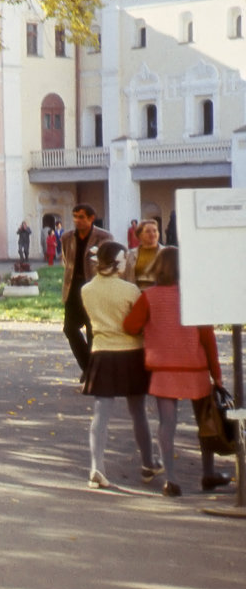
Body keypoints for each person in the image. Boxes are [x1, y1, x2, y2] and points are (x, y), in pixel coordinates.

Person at [123, 247, 231, 497]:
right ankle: (208, 473)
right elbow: (208, 339)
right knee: (206, 424)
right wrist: (217, 375)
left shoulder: (149, 296)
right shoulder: (196, 297)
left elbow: (130, 326)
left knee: (166, 424)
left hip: (163, 369)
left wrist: (152, 331)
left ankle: (170, 480)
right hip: (195, 368)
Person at [81, 241, 159, 490]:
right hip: (131, 353)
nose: (127, 263)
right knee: (138, 413)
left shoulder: (86, 290)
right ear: (116, 262)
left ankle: (96, 467)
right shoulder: (130, 290)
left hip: (102, 353)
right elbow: (138, 323)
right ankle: (148, 463)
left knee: (100, 414)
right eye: (124, 259)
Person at [60, 204, 114, 374]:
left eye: (81, 217)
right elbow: (65, 261)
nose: (77, 220)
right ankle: (88, 367)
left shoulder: (103, 237)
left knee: (93, 331)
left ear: (91, 218)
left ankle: (94, 372)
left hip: (94, 289)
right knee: (69, 328)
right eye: (75, 216)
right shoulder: (67, 237)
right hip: (73, 290)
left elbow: (109, 263)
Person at [121, 219, 164, 289]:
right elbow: (124, 278)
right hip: (136, 295)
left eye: (155, 230)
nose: (152, 234)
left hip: (159, 296)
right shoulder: (129, 255)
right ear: (139, 235)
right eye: (148, 231)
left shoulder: (166, 253)